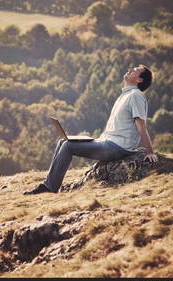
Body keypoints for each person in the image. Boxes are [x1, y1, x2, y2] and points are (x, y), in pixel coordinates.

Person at [23, 64, 158, 195]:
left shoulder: (136, 96)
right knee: (63, 142)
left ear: (139, 80)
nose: (129, 70)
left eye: (134, 70)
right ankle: (48, 183)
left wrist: (150, 152)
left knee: (68, 146)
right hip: (107, 141)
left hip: (117, 147)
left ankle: (50, 187)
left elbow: (141, 125)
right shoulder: (125, 95)